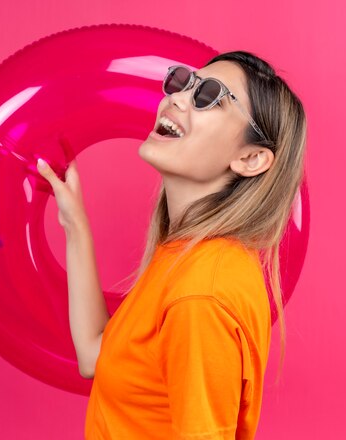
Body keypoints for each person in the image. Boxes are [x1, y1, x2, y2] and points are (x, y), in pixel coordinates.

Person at [36, 50, 308, 439]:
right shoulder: (185, 256)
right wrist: (74, 224)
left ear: (250, 158)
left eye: (209, 95)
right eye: (184, 82)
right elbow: (95, 357)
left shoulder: (200, 295)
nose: (176, 97)